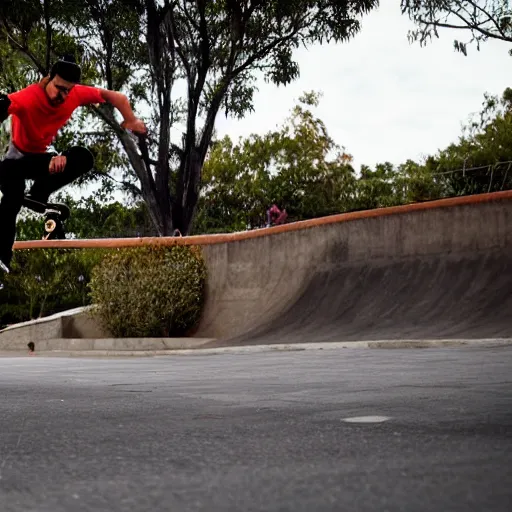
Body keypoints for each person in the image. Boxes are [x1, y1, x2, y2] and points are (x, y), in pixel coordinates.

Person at [0, 55, 147, 275]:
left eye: (68, 90)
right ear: (48, 79)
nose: (63, 95)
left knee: (82, 157)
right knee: (11, 203)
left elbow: (114, 96)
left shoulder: (75, 94)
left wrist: (131, 119)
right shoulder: (28, 98)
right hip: (14, 163)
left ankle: (38, 194)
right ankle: (2, 258)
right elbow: (7, 104)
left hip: (40, 160)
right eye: (59, 88)